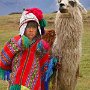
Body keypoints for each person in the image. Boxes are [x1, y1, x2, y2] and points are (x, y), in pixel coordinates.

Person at [0, 8, 60, 90]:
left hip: (33, 83)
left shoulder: (41, 45)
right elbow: (4, 57)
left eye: (34, 28)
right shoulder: (15, 41)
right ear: (23, 28)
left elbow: (44, 62)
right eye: (28, 27)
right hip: (16, 82)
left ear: (37, 29)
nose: (31, 30)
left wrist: (52, 63)